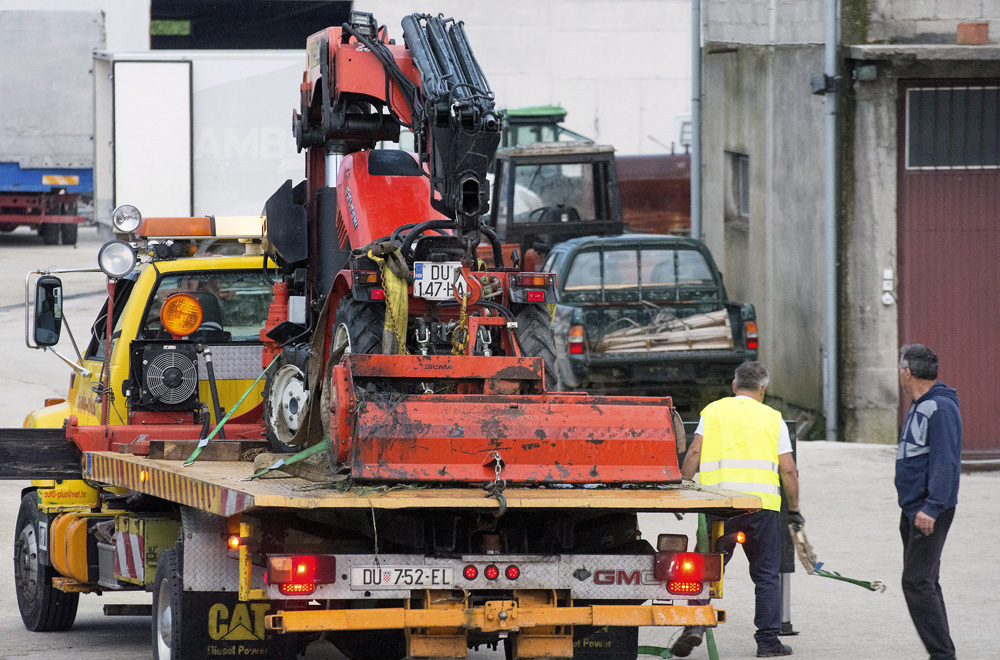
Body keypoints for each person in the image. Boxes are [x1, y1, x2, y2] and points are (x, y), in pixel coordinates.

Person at [672, 361, 800, 658]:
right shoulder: (773, 418)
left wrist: (680, 488)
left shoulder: (713, 411)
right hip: (762, 508)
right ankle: (768, 642)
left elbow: (694, 451)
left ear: (734, 385)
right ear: (763, 389)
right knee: (766, 575)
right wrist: (794, 509)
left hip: (720, 506)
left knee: (705, 568)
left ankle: (694, 625)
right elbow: (789, 470)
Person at [896, 344, 961, 660]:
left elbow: (945, 461)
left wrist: (932, 507)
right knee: (926, 581)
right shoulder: (920, 404)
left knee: (916, 582)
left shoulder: (940, 408)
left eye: (899, 370)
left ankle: (942, 655)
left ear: (907, 372)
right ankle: (943, 652)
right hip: (912, 508)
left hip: (927, 509)